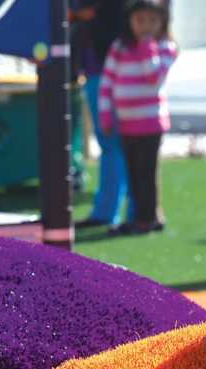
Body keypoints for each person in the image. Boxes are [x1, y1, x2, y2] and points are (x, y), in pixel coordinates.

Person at [98, 0, 177, 234]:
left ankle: (147, 219)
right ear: (130, 21)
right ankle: (142, 217)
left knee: (146, 173)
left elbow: (154, 77)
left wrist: (147, 47)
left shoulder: (164, 47)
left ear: (162, 21)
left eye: (152, 20)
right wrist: (104, 113)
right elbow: (107, 81)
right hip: (126, 124)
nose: (146, 26)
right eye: (140, 20)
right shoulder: (119, 47)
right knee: (133, 173)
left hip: (151, 123)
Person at [73, 0, 133, 228]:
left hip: (108, 70)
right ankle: (116, 211)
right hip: (99, 68)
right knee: (115, 145)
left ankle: (112, 211)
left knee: (114, 144)